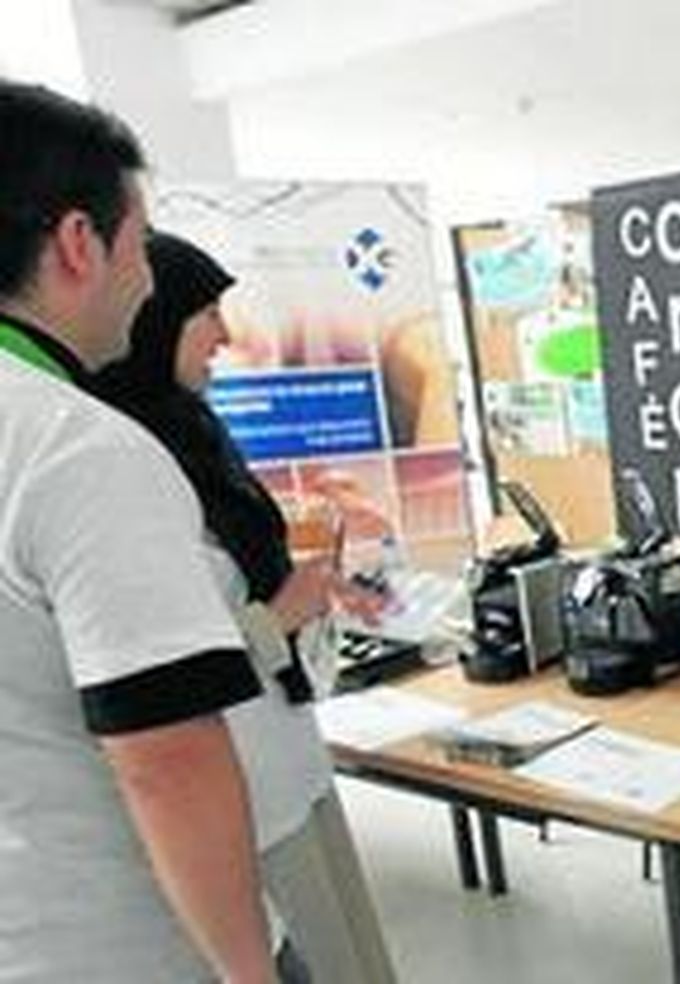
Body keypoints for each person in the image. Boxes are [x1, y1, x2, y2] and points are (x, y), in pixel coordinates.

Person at [0, 81, 275, 981]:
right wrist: (248, 971)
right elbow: (167, 759)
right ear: (80, 243)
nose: (150, 277)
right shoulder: (79, 451)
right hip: (121, 943)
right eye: (141, 243)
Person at [95, 231, 398, 983]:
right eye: (207, 315)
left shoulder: (194, 432)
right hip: (243, 798)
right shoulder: (120, 468)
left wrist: (304, 589)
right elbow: (152, 677)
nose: (227, 336)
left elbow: (234, 581)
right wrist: (276, 619)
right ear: (158, 323)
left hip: (292, 756)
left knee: (357, 956)